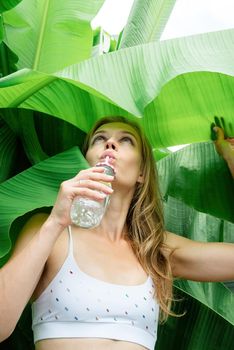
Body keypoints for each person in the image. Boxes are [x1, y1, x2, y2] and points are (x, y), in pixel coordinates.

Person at [0, 116, 233, 350]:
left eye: (126, 140)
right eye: (100, 139)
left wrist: (231, 159)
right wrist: (56, 221)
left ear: (141, 172)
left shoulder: (155, 249)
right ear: (85, 161)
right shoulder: (50, 230)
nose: (110, 143)